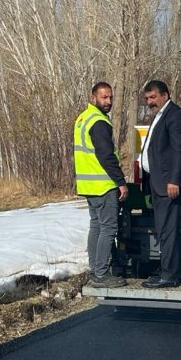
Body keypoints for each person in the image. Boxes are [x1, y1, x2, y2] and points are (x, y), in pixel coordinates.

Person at [140, 80, 181, 288]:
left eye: (153, 97)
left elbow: (180, 151)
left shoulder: (176, 116)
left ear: (165, 95)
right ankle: (168, 270)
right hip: (158, 183)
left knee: (168, 230)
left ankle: (170, 274)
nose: (149, 102)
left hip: (168, 185)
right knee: (163, 229)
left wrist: (174, 180)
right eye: (147, 99)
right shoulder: (160, 116)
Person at [75, 82, 129, 288]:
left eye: (110, 98)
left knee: (96, 227)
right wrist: (120, 182)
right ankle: (101, 273)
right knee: (108, 228)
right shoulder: (98, 122)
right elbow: (106, 156)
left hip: (89, 185)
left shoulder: (83, 118)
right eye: (104, 97)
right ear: (93, 98)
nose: (108, 102)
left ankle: (95, 270)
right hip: (103, 184)